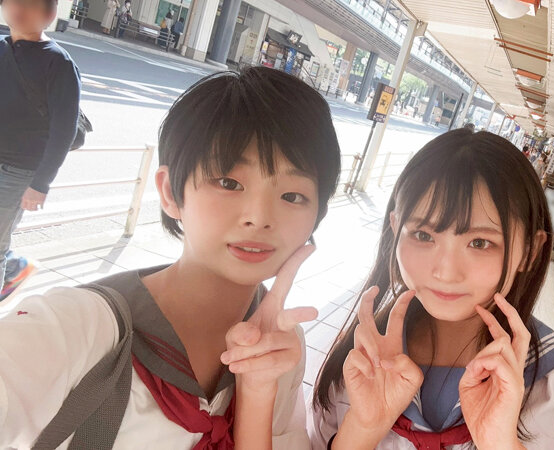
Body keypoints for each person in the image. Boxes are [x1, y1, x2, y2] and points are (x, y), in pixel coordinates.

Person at [0, 67, 342, 448]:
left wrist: (258, 391)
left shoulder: (282, 345)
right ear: (169, 192)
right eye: (229, 183)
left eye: (293, 196)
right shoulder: (78, 330)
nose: (259, 217)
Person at [310, 130, 554, 449]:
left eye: (480, 242)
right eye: (424, 235)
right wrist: (362, 430)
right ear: (396, 227)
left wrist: (502, 444)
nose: (445, 271)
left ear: (530, 251)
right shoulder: (359, 361)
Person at [0, 0, 81, 301]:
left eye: (30, 3)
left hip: (17, 171)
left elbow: (64, 130)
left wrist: (40, 184)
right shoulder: (1, 47)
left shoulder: (58, 63)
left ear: (49, 14)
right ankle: (16, 267)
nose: (19, 8)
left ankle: (12, 267)